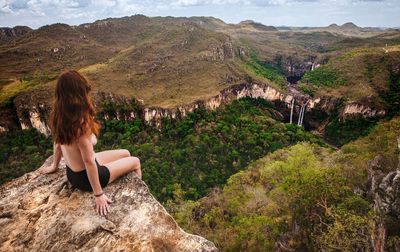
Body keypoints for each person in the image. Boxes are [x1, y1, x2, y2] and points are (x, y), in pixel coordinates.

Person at [38, 70, 142, 216]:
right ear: (80, 94)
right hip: (86, 178)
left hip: (72, 174)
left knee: (126, 153)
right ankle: (138, 199)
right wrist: (98, 195)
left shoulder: (58, 116)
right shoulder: (80, 125)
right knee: (135, 161)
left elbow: (57, 143)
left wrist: (54, 166)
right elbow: (88, 162)